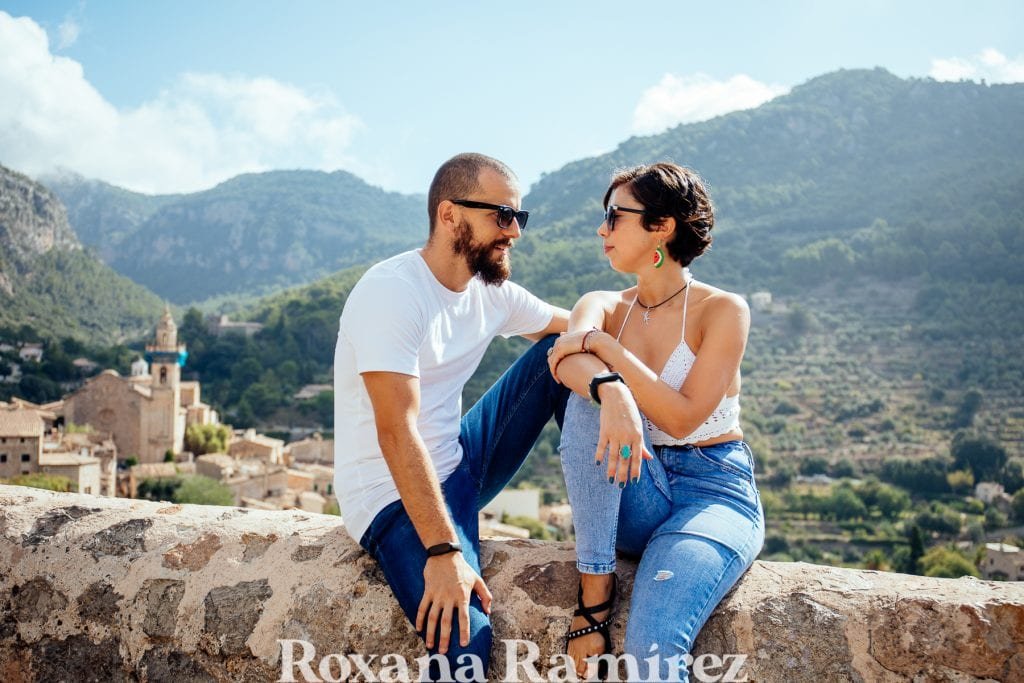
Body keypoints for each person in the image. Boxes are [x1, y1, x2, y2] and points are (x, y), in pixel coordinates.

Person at [333, 152, 570, 681]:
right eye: (502, 217)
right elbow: (395, 431)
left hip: (459, 460)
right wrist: (443, 551)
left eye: (519, 218)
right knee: (466, 649)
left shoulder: (491, 292)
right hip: (390, 491)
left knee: (562, 352)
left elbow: (578, 325)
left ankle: (612, 533)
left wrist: (616, 393)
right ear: (449, 215)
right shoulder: (393, 293)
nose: (515, 232)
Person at [546, 162, 765, 681]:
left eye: (615, 216)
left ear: (662, 227)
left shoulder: (722, 310)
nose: (602, 229)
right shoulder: (599, 304)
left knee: (651, 650)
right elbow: (562, 359)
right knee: (587, 396)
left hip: (711, 492)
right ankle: (595, 593)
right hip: (634, 486)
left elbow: (685, 419)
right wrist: (612, 390)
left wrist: (607, 351)